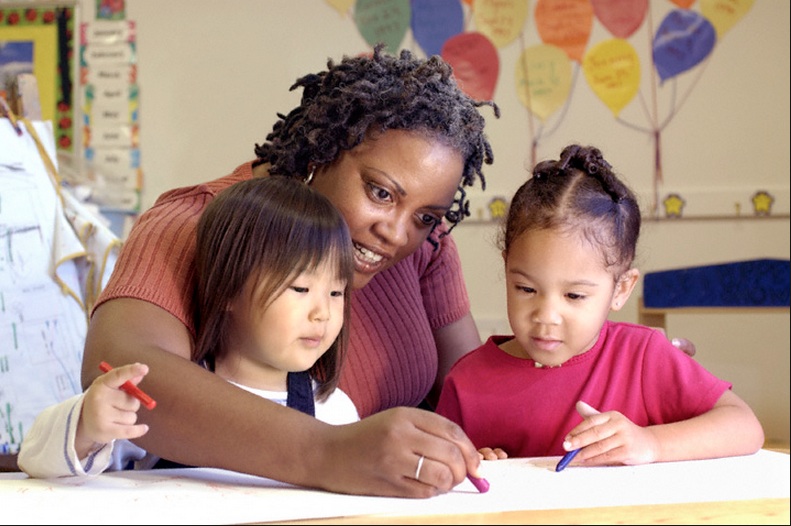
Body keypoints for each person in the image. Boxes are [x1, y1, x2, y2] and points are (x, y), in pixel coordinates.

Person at [79, 45, 694, 497]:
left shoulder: (424, 249)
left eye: (426, 215)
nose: (397, 235)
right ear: (320, 155)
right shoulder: (198, 222)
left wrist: (623, 385)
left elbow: (477, 391)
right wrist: (325, 452)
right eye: (379, 193)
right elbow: (131, 377)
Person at [435, 144, 765, 466]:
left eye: (574, 296)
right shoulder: (467, 381)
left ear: (621, 289)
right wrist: (472, 464)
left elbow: (744, 426)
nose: (546, 316)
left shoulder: (643, 356)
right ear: (506, 269)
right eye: (526, 288)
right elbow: (444, 468)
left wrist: (650, 443)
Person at [18, 177, 359, 478]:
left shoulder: (336, 412)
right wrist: (86, 425)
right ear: (228, 288)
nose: (323, 313)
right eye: (300, 289)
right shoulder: (162, 401)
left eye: (336, 292)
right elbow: (36, 460)